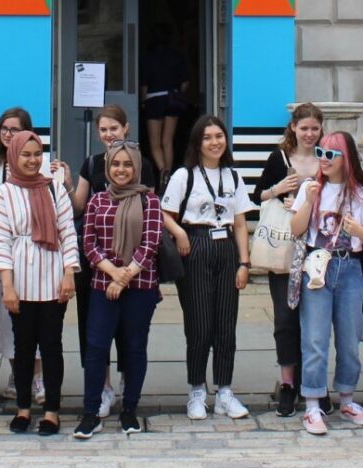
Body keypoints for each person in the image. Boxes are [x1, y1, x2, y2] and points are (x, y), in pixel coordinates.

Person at [61, 104, 157, 418]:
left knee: (132, 341)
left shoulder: (144, 173)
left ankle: (130, 396)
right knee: (97, 339)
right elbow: (81, 214)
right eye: (103, 129)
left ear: (125, 128)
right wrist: (66, 185)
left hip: (136, 274)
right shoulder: (93, 165)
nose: (108, 134)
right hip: (102, 272)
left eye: (113, 128)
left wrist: (126, 274)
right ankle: (101, 392)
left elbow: (150, 229)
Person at [161, 115, 253, 421]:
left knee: (226, 325)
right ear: (197, 142)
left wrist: (244, 262)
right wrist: (181, 234)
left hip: (226, 246)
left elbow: (240, 223)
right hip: (195, 245)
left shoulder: (233, 177)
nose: (215, 142)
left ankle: (225, 390)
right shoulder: (183, 176)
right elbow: (165, 214)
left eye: (219, 136)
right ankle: (196, 390)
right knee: (200, 325)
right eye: (207, 137)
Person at [0, 131, 79, 436]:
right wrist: (8, 286)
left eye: (36, 154)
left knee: (52, 346)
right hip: (21, 280)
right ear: (14, 155)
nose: (31, 160)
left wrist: (69, 273)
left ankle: (52, 410)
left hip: (54, 278)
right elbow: (1, 242)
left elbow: (68, 232)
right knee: (24, 348)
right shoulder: (4, 193)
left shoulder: (54, 188)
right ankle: (24, 408)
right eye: (25, 154)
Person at [75, 141, 162, 439]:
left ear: (136, 167)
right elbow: (88, 244)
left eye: (127, 164)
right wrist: (112, 273)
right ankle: (90, 413)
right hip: (102, 286)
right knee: (97, 348)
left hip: (140, 286)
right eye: (115, 164)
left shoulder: (149, 201)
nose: (121, 169)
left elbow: (150, 244)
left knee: (135, 348)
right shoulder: (97, 200)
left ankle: (129, 411)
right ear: (108, 167)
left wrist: (123, 278)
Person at [252, 103, 323, 418]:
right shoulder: (278, 158)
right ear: (293, 127)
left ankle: (314, 383)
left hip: (319, 250)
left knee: (316, 322)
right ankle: (287, 383)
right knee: (285, 319)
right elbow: (256, 197)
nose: (309, 134)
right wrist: (277, 190)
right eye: (304, 127)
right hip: (285, 249)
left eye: (314, 128)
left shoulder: (327, 159)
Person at [290, 131, 363, 435]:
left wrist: (358, 229)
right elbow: (295, 229)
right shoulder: (311, 187)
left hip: (350, 266)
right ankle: (312, 404)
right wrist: (308, 202)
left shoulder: (359, 191)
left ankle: (346, 397)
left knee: (349, 339)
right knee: (315, 339)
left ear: (347, 158)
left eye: (331, 154)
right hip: (316, 268)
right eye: (321, 152)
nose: (324, 159)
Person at [0, 107, 46, 403]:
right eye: (4, 129)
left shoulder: (37, 163)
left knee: (35, 312)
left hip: (32, 249)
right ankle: (16, 371)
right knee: (6, 314)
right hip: (0, 247)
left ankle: (39, 377)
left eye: (14, 129)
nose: (8, 134)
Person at [141, 24, 190, 181]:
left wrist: (143, 102)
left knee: (154, 143)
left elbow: (144, 84)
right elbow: (185, 82)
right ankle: (170, 176)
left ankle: (163, 172)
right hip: (172, 99)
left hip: (153, 99)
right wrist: (178, 94)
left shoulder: (148, 57)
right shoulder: (177, 55)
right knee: (167, 140)